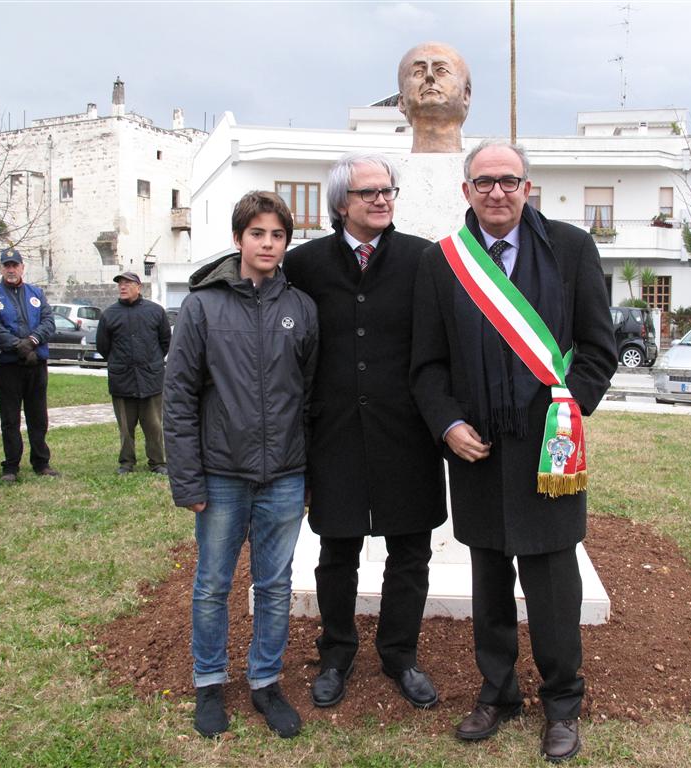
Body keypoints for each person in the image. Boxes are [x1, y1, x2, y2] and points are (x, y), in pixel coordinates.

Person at [410, 141, 617, 762]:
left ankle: (562, 704)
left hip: (550, 452)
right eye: (483, 182)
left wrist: (568, 413)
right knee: (490, 580)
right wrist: (446, 424)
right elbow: (426, 364)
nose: (496, 192)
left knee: (554, 584)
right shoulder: (443, 262)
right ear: (466, 190)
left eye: (508, 180)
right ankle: (497, 693)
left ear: (529, 186)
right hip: (477, 451)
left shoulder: (572, 250)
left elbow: (598, 349)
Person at [284, 153, 446, 710]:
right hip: (335, 436)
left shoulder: (425, 259)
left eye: (388, 190)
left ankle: (400, 655)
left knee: (411, 553)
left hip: (408, 436)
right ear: (340, 203)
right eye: (368, 192)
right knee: (336, 552)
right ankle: (336, 654)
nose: (382, 199)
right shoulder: (304, 264)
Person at [163, 191, 318, 740]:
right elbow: (178, 396)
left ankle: (265, 682)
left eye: (277, 235)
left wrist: (309, 478)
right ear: (238, 239)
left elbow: (311, 397)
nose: (268, 243)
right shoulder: (203, 306)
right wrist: (188, 478)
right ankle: (209, 682)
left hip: (284, 476)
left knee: (274, 586)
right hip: (222, 475)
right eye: (258, 234)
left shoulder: (301, 308)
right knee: (212, 584)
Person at [0, 248, 59, 482]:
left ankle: (41, 462)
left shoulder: (36, 293)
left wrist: (33, 342)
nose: (11, 269)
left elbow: (48, 321)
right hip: (7, 367)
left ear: (22, 267)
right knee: (10, 418)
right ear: (1, 269)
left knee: (38, 416)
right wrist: (19, 347)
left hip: (36, 364)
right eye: (7, 266)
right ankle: (11, 466)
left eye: (15, 265)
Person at [95, 270, 172, 475]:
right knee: (125, 427)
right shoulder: (109, 314)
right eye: (120, 283)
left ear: (139, 287)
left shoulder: (155, 311)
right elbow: (103, 346)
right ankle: (126, 462)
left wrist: (151, 361)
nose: (122, 286)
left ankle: (157, 462)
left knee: (154, 425)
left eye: (128, 283)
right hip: (122, 379)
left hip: (151, 378)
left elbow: (165, 341)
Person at [397, 42, 472, 153]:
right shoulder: (382, 169)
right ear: (402, 101)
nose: (429, 76)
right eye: (418, 72)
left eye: (441, 70)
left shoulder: (485, 168)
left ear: (466, 95)